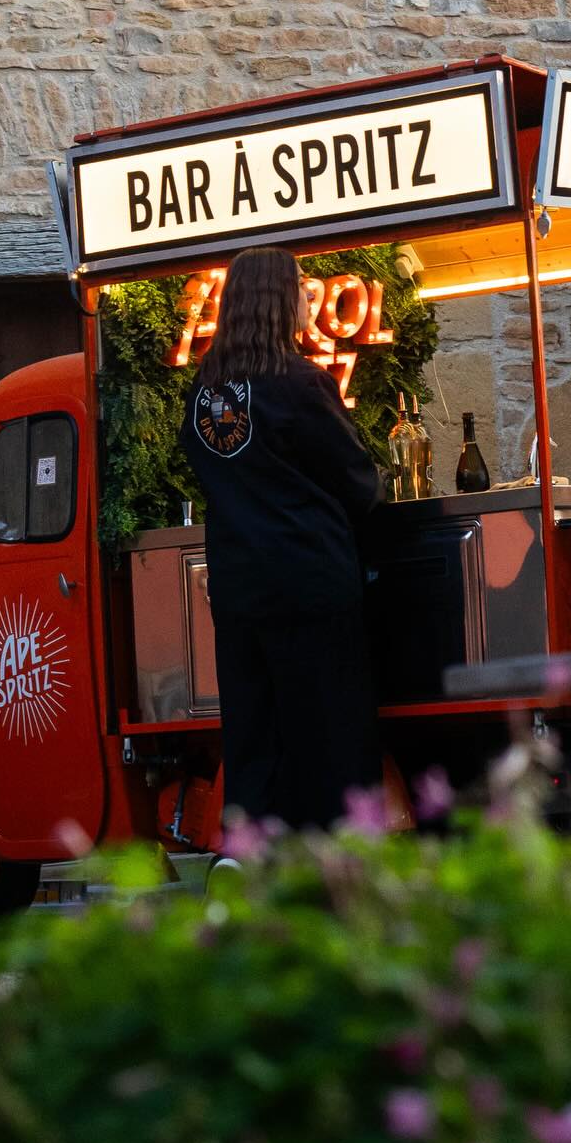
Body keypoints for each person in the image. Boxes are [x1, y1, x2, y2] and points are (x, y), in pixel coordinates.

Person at [177, 244, 384, 829]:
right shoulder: (300, 384)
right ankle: (334, 869)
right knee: (329, 736)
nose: (304, 301)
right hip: (310, 585)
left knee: (255, 738)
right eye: (298, 289)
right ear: (278, 300)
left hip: (241, 592)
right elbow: (358, 481)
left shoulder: (204, 395)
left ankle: (253, 863)